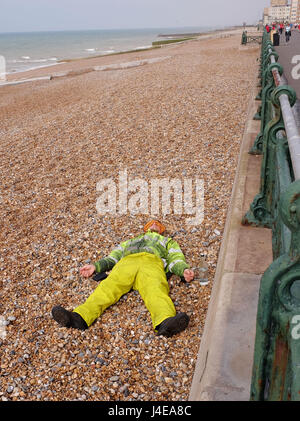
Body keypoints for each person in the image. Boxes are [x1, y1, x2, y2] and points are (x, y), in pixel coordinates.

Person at [51, 220, 195, 337]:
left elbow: (176, 257)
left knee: (156, 289)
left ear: (161, 229)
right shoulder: (131, 241)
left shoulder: (167, 241)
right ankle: (79, 318)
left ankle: (165, 322)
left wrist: (183, 270)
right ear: (146, 229)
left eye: (158, 224)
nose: (154, 225)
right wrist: (96, 267)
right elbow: (114, 256)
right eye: (151, 223)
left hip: (152, 263)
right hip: (127, 263)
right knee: (108, 287)